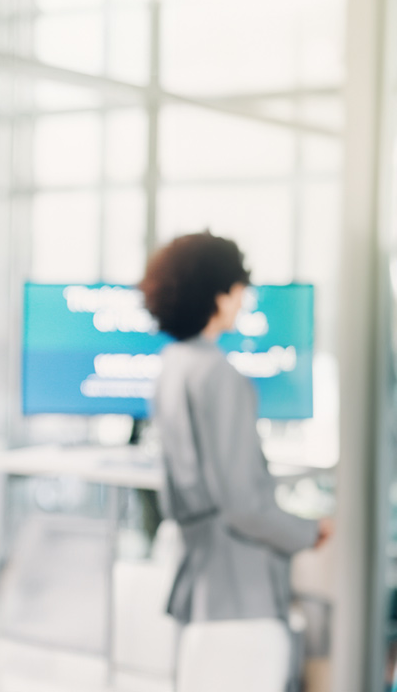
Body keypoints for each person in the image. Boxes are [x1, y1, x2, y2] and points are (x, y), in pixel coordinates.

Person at [139, 232, 333, 692]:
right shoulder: (219, 375)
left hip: (200, 587)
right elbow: (242, 504)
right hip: (240, 597)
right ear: (218, 295)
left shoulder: (173, 365)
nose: (243, 299)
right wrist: (310, 531)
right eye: (238, 289)